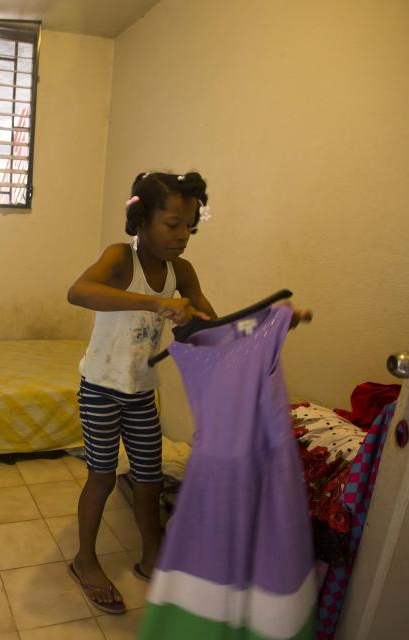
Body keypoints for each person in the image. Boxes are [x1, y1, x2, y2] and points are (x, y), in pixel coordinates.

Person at [66, 170, 308, 614]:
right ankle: (84, 559)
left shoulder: (182, 271)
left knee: (149, 477)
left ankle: (153, 558)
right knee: (101, 475)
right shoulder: (122, 259)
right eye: (172, 225)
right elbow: (78, 292)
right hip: (100, 388)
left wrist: (271, 324)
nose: (183, 237)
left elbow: (211, 328)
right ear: (142, 221)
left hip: (140, 390)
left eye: (190, 225)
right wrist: (155, 302)